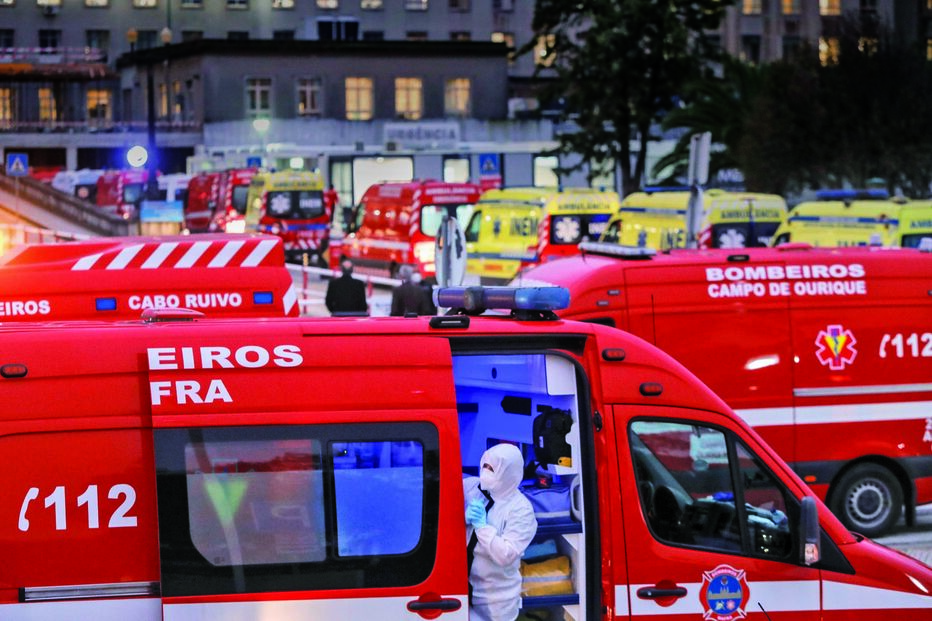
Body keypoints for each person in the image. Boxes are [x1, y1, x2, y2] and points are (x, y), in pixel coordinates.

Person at [463, 443, 538, 621]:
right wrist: (462, 518)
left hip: (496, 601)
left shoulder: (521, 509)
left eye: (492, 468)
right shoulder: (472, 487)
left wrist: (482, 527)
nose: (486, 472)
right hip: (462, 589)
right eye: (485, 466)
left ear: (508, 473)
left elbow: (505, 555)